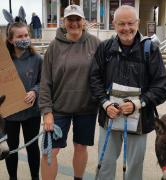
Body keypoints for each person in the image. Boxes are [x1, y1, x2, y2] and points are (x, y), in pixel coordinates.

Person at [90, 5, 166, 180]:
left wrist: (138, 103)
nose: (126, 28)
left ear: (138, 22)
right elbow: (94, 80)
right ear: (114, 24)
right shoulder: (105, 48)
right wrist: (105, 103)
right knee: (105, 164)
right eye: (121, 23)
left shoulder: (151, 50)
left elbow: (162, 87)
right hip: (109, 117)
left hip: (140, 121)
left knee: (134, 167)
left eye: (130, 23)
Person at [39, 4, 100, 180]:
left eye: (77, 19)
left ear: (84, 21)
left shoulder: (95, 44)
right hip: (59, 108)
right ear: (64, 22)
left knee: (81, 147)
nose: (74, 23)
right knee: (49, 151)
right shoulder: (53, 47)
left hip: (86, 108)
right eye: (70, 19)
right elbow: (45, 82)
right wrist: (47, 112)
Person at [5, 22, 42, 180]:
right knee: (11, 149)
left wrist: (35, 91)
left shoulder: (37, 59)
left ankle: (35, 177)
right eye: (19, 36)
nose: (24, 39)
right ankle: (12, 177)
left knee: (32, 147)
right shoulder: (4, 62)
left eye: (26, 35)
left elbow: (44, 81)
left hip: (31, 112)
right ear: (11, 39)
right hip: (9, 113)